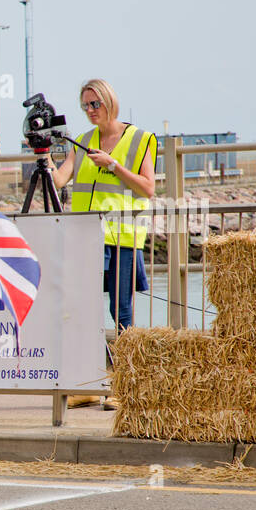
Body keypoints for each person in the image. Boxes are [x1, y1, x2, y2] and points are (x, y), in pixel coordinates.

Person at [51, 78, 157, 408]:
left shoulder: (140, 138)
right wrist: (43, 159)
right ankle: (91, 382)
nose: (90, 111)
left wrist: (113, 165)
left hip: (122, 236)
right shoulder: (82, 141)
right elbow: (59, 180)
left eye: (94, 104)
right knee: (85, 310)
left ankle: (124, 387)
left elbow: (147, 188)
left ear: (110, 101)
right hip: (87, 237)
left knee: (120, 310)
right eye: (85, 106)